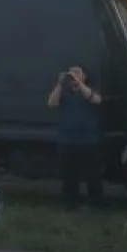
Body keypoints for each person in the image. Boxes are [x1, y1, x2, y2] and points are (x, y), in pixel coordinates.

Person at [47, 65, 104, 209]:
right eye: (72, 73)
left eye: (78, 73)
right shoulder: (64, 92)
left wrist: (79, 84)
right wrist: (60, 84)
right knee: (69, 176)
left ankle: (96, 203)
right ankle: (70, 203)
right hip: (67, 140)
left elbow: (96, 100)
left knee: (93, 175)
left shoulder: (90, 89)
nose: (74, 76)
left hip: (89, 140)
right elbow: (51, 103)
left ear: (85, 76)